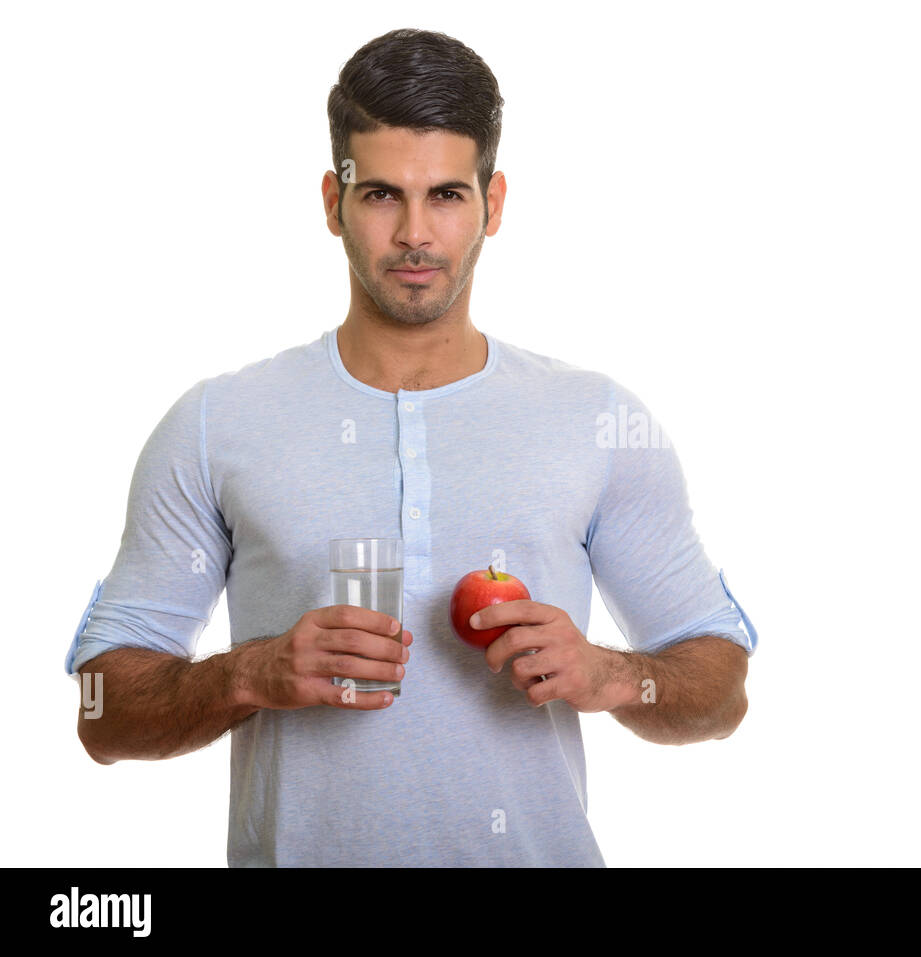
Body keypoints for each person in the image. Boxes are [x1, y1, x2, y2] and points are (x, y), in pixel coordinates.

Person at [66, 27, 758, 867]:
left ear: (494, 204)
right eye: (383, 194)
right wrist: (249, 673)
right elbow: (103, 714)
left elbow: (720, 687)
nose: (416, 235)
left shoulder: (596, 420)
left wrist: (612, 675)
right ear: (333, 201)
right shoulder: (218, 422)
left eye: (448, 196)